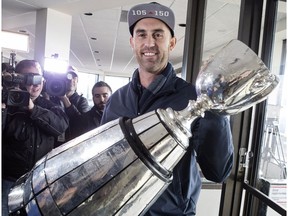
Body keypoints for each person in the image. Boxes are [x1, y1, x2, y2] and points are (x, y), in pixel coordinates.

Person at [101, 2, 234, 215]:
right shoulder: (116, 100)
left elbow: (218, 172)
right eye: (142, 35)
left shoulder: (193, 98)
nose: (149, 43)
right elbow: (106, 159)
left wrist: (218, 109)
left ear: (172, 43)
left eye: (158, 35)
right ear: (132, 42)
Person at [1, 59, 69, 216]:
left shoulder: (50, 105)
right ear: (17, 79)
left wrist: (32, 108)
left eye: (38, 78)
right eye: (28, 78)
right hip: (8, 179)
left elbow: (60, 127)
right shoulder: (6, 104)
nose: (34, 84)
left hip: (38, 183)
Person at [50, 65, 90, 143]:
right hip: (52, 142)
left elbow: (83, 124)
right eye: (68, 77)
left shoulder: (82, 101)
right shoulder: (53, 99)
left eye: (74, 78)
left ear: (77, 81)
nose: (71, 80)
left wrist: (65, 99)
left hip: (72, 143)